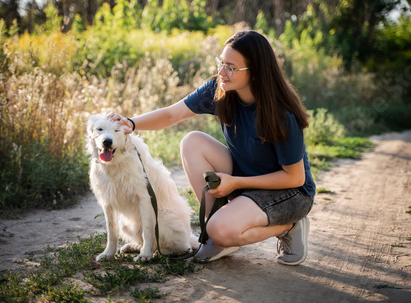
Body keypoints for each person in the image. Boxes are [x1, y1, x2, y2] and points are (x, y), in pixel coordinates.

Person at [108, 30, 315, 265]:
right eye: (221, 62)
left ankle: (288, 226)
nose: (221, 72)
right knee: (192, 141)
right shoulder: (219, 90)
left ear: (255, 73)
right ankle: (220, 236)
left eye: (231, 67)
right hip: (249, 177)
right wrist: (131, 123)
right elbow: (170, 115)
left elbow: (295, 178)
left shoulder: (281, 114)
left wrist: (236, 183)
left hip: (290, 193)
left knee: (218, 229)